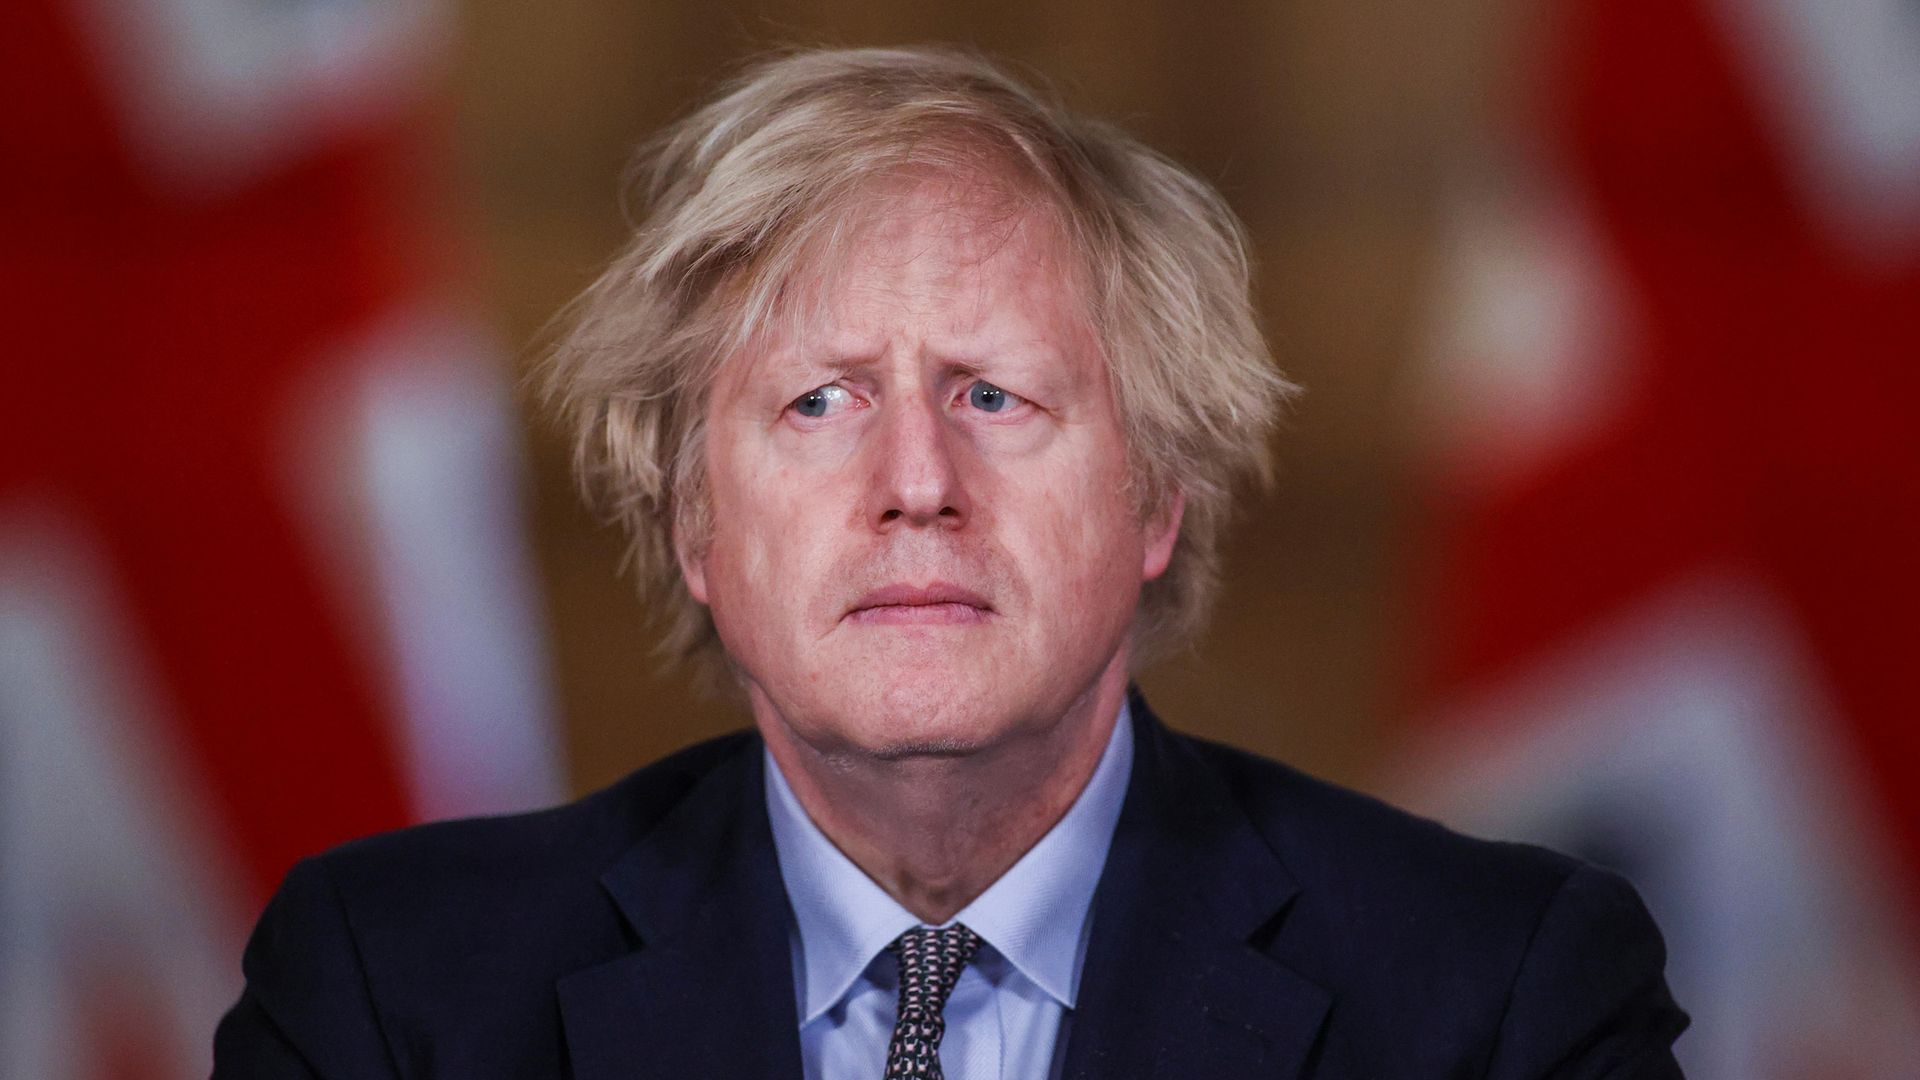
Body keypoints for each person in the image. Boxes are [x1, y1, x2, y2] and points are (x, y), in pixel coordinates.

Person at [212, 46, 1689, 1079]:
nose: (917, 483)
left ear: (1156, 498)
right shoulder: (387, 995)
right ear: (693, 525)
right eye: (819, 401)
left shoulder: (1505, 999)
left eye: (995, 394)